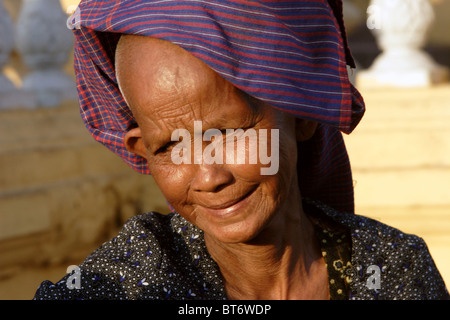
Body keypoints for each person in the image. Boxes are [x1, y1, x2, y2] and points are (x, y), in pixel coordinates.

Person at [34, 0, 448, 300]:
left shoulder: (392, 272)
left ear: (301, 113)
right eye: (171, 146)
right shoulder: (127, 282)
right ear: (143, 150)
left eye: (229, 134)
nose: (210, 177)